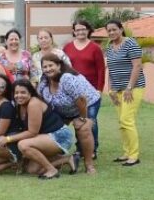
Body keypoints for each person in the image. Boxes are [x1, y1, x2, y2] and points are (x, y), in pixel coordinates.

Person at [38, 54, 99, 174]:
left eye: (51, 65)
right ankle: (60, 158)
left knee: (83, 130)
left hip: (87, 103)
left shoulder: (66, 79)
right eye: (45, 67)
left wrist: (82, 118)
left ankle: (89, 164)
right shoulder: (44, 83)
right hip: (63, 109)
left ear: (59, 65)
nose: (48, 69)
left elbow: (81, 100)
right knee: (51, 130)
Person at [104, 19, 145, 167]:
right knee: (122, 122)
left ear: (121, 29)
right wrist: (111, 90)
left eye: (114, 29)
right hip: (117, 90)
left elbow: (137, 66)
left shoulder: (130, 43)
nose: (111, 32)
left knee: (127, 120)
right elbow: (111, 70)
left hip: (133, 89)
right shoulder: (110, 47)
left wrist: (129, 88)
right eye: (109, 30)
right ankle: (126, 152)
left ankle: (134, 156)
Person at [63, 20, 105, 153]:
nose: (80, 32)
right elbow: (64, 67)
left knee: (91, 120)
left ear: (88, 30)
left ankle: (93, 149)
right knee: (78, 120)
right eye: (78, 29)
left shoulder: (95, 48)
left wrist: (99, 89)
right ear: (74, 31)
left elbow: (101, 70)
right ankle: (80, 148)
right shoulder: (67, 47)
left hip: (91, 92)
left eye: (83, 29)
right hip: (74, 92)